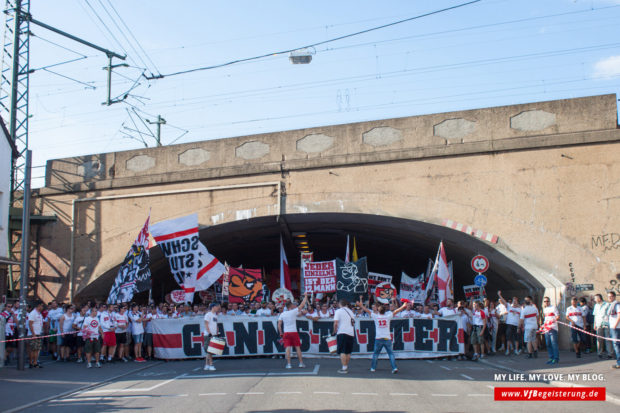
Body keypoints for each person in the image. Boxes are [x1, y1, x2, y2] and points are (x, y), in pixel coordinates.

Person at [358, 296, 406, 373]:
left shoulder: (376, 316)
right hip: (387, 338)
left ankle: (373, 368)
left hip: (379, 338)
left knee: (376, 354)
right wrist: (403, 306)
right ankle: (394, 368)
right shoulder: (388, 316)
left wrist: (361, 305)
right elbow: (396, 311)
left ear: (378, 310)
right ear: (385, 311)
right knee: (390, 354)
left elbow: (367, 310)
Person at [278, 294, 309, 369]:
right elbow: (302, 305)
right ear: (290, 306)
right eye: (292, 305)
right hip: (293, 332)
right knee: (297, 347)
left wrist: (281, 332)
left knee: (287, 348)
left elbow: (279, 325)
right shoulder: (293, 312)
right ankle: (301, 363)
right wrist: (305, 297)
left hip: (286, 333)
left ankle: (289, 364)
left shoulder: (282, 314)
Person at [333, 299, 356, 373]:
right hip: (351, 333)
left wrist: (334, 331)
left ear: (340, 304)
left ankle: (344, 368)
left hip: (342, 332)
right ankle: (345, 366)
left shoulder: (338, 311)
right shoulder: (351, 312)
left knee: (342, 351)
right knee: (348, 351)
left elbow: (336, 323)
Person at [593, 293, 613, 359]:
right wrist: (595, 324)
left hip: (606, 324)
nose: (594, 300)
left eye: (595, 298)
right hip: (599, 324)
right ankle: (599, 353)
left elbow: (610, 314)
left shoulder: (607, 304)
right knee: (599, 339)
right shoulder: (596, 306)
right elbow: (595, 315)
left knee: (608, 339)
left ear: (599, 298)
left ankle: (610, 353)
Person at [541, 297, 559, 365]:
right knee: (548, 344)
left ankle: (556, 358)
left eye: (547, 301)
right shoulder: (545, 309)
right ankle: (551, 357)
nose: (546, 302)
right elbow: (546, 318)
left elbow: (557, 316)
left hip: (553, 328)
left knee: (554, 343)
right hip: (546, 328)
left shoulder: (553, 308)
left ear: (549, 301)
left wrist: (553, 321)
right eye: (545, 301)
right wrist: (544, 325)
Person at [203, 302, 221, 371]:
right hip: (208, 335)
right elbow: (206, 324)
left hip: (213, 334)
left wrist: (218, 332)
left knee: (210, 350)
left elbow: (216, 325)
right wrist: (209, 333)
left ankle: (206, 365)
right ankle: (211, 365)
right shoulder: (208, 315)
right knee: (209, 350)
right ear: (213, 307)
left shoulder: (215, 315)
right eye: (217, 307)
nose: (218, 308)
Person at [27, 301, 44, 368]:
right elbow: (30, 324)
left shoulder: (39, 314)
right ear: (38, 306)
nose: (42, 307)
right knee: (33, 349)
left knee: (37, 349)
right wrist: (33, 334)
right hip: (33, 334)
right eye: (41, 306)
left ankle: (35, 362)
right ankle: (31, 362)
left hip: (38, 333)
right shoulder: (33, 313)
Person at [606, 291, 620, 369]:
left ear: (614, 297)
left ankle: (619, 362)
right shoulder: (611, 305)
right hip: (612, 327)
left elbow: (619, 315)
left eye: (611, 296)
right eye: (608, 297)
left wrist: (615, 325)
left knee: (616, 345)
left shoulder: (617, 304)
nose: (609, 298)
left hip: (616, 328)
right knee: (616, 345)